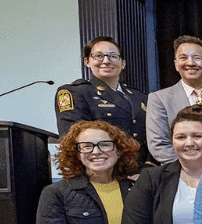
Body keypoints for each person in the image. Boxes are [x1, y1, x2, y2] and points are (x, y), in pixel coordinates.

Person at [55, 36, 151, 164]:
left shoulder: (140, 97)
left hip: (143, 172)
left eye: (113, 56)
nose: (106, 61)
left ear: (123, 63)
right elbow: (73, 140)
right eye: (99, 56)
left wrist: (149, 167)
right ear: (87, 61)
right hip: (101, 170)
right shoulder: (75, 93)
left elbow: (154, 137)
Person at [147, 35, 202, 163]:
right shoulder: (159, 99)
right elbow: (159, 146)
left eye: (197, 58)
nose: (190, 63)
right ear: (176, 65)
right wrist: (194, 165)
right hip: (180, 173)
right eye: (183, 58)